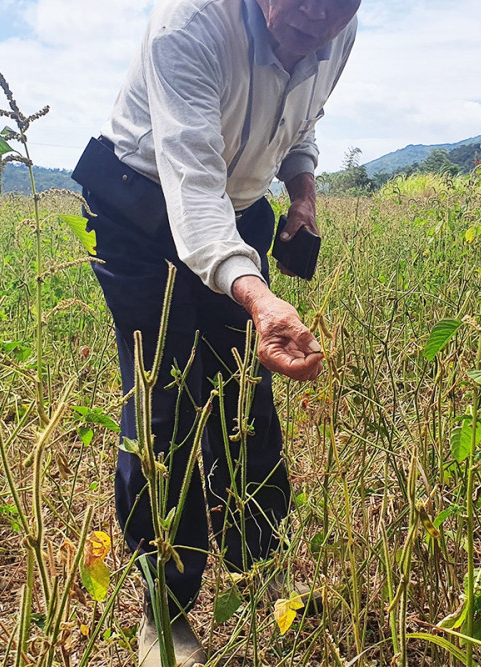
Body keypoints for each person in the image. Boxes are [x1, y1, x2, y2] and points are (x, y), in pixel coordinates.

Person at [72, 0, 360, 664]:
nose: (319, 16)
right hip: (140, 208)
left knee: (243, 394)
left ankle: (263, 572)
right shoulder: (189, 25)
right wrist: (258, 293)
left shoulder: (336, 32)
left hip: (237, 206)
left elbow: (301, 123)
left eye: (340, 3)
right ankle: (164, 612)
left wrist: (303, 193)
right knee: (166, 401)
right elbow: (192, 190)